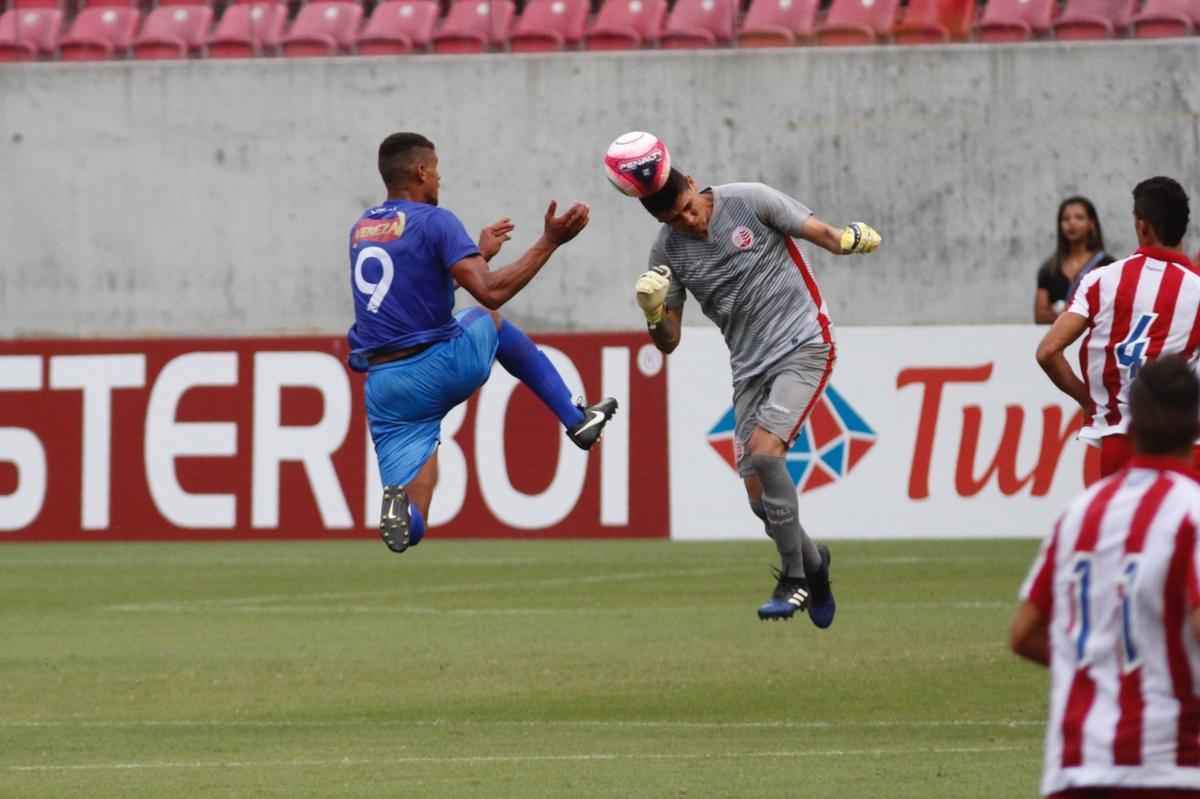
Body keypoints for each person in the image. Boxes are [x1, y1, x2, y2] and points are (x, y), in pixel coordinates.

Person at [632, 166, 881, 625]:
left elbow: (818, 232)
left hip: (803, 343)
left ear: (693, 185)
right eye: (675, 218)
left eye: (689, 207)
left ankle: (794, 579)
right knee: (757, 500)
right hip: (748, 371)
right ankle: (816, 567)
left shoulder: (749, 199)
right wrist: (652, 313)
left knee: (767, 455)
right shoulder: (667, 252)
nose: (689, 220)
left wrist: (849, 238)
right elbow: (669, 341)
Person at [348, 132, 618, 553]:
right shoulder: (436, 221)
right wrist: (550, 241)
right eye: (436, 170)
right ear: (421, 171)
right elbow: (490, 292)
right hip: (436, 366)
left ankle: (406, 521)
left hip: (386, 387)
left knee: (412, 509)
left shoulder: (364, 228)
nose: (439, 179)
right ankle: (575, 418)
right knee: (490, 318)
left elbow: (415, 297)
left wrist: (478, 255)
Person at [1011, 354, 1200, 799]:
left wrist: (1104, 671)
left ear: (1131, 424)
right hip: (1171, 768)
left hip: (1077, 769)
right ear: (1195, 426)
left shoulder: (1080, 512)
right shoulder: (1192, 512)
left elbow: (1024, 633)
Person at [1036, 176, 1200, 478]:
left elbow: (1048, 352)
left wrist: (1088, 401)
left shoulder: (1101, 280)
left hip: (1120, 441)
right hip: (1187, 448)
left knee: (1124, 524)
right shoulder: (1196, 289)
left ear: (1142, 225)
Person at [1035, 197, 1114, 324]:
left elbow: (1111, 310)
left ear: (1091, 223)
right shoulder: (1049, 268)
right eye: (1066, 219)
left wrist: (1069, 316)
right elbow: (1040, 315)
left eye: (1079, 217)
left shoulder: (1108, 265)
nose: (1071, 223)